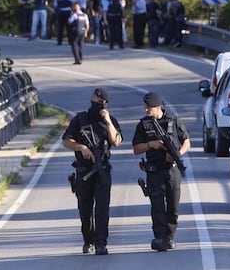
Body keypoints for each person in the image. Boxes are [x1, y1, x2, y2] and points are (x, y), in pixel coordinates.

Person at [63, 88, 123, 255]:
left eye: (101, 104)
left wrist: (108, 121)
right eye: (96, 103)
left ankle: (101, 243)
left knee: (102, 210)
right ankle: (88, 240)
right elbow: (66, 141)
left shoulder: (110, 121)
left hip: (102, 171)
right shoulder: (79, 119)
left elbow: (116, 141)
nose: (98, 106)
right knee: (85, 209)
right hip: (84, 172)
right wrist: (81, 147)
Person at [132, 92, 191, 251]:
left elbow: (186, 141)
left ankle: (170, 236)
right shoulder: (143, 125)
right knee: (157, 206)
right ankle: (159, 237)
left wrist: (177, 154)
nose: (146, 110)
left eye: (148, 107)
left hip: (172, 170)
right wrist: (151, 145)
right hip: (154, 171)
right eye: (145, 107)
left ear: (158, 107)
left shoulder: (173, 120)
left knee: (173, 206)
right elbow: (136, 149)